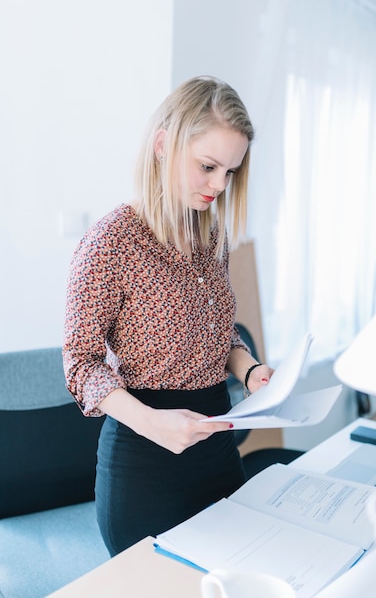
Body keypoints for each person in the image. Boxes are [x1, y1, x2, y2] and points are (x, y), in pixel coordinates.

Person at [62, 75, 274, 557]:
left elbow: (221, 339)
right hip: (144, 469)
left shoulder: (211, 236)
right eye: (208, 166)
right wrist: (152, 422)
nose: (220, 185)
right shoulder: (112, 243)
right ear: (163, 144)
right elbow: (80, 364)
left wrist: (251, 371)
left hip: (219, 455)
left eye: (230, 172)